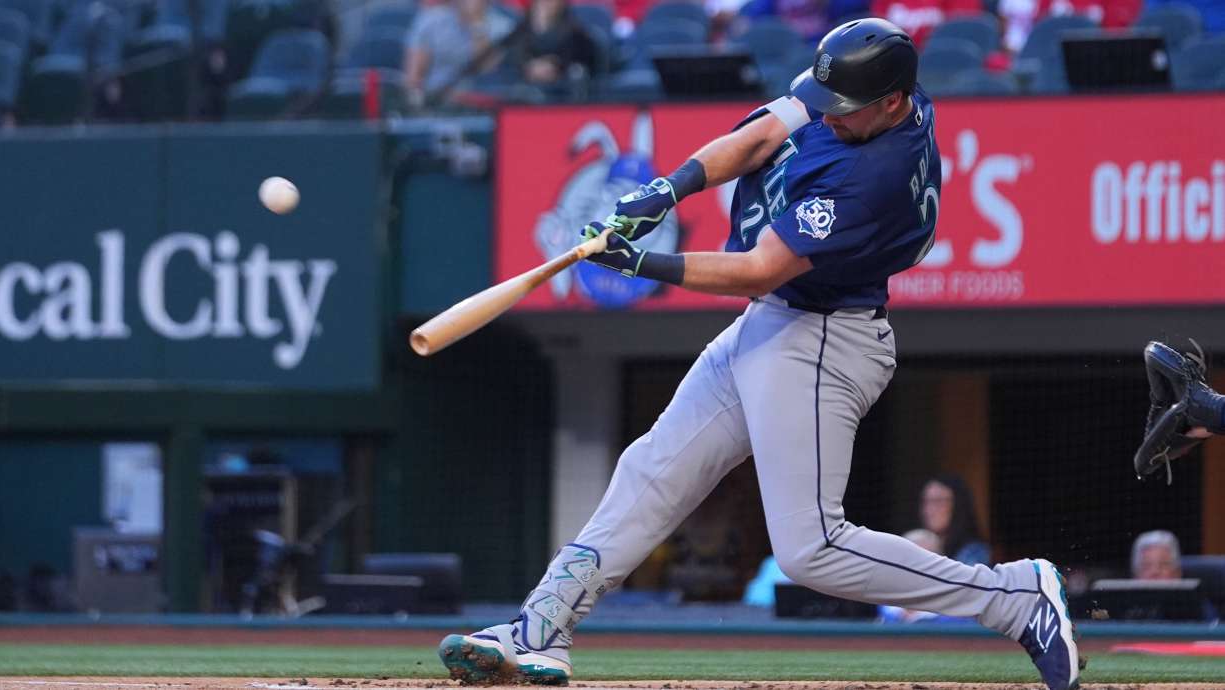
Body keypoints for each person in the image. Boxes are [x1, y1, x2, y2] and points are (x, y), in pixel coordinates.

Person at [438, 18, 1081, 690]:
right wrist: (670, 188)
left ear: (893, 103)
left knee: (812, 550)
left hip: (824, 337)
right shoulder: (867, 95)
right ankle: (541, 627)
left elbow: (757, 269)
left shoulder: (878, 175)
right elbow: (760, 136)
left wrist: (640, 262)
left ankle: (1015, 596)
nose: (827, 118)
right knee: (652, 469)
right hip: (776, 325)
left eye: (844, 110)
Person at [1134, 340, 1225, 484]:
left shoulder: (1208, 421)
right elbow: (1198, 433)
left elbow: (1198, 433)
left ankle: (1163, 403)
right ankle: (1164, 403)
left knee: (1142, 464)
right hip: (1192, 396)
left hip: (1190, 400)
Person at [404, 0, 515, 105]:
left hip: (484, 104)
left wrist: (477, 24)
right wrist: (417, 104)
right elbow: (414, 76)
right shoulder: (431, 21)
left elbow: (486, 69)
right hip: (436, 100)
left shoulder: (504, 26)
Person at [503, 0, 598, 89]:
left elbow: (577, 54)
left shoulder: (574, 29)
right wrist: (529, 66)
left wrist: (554, 64)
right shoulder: (524, 26)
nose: (546, 3)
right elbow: (509, 51)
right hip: (527, 91)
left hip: (562, 92)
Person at [920, 474, 991, 566]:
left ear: (958, 505)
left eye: (938, 501)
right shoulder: (921, 544)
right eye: (925, 502)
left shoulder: (974, 552)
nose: (928, 511)